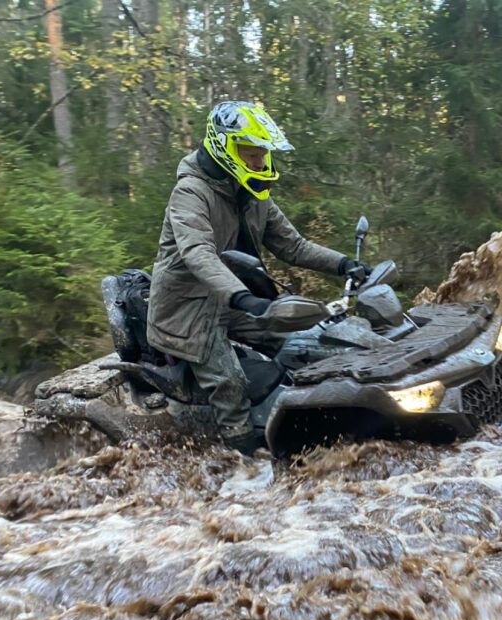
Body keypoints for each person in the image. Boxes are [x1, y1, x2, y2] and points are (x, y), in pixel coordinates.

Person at [146, 101, 370, 455]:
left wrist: (344, 264)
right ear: (224, 147)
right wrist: (242, 296)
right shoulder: (190, 193)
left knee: (304, 342)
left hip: (230, 300)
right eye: (250, 153)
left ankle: (312, 420)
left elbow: (293, 246)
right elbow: (198, 254)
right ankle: (242, 458)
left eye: (262, 154)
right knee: (230, 382)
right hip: (186, 309)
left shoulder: (252, 192)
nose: (258, 162)